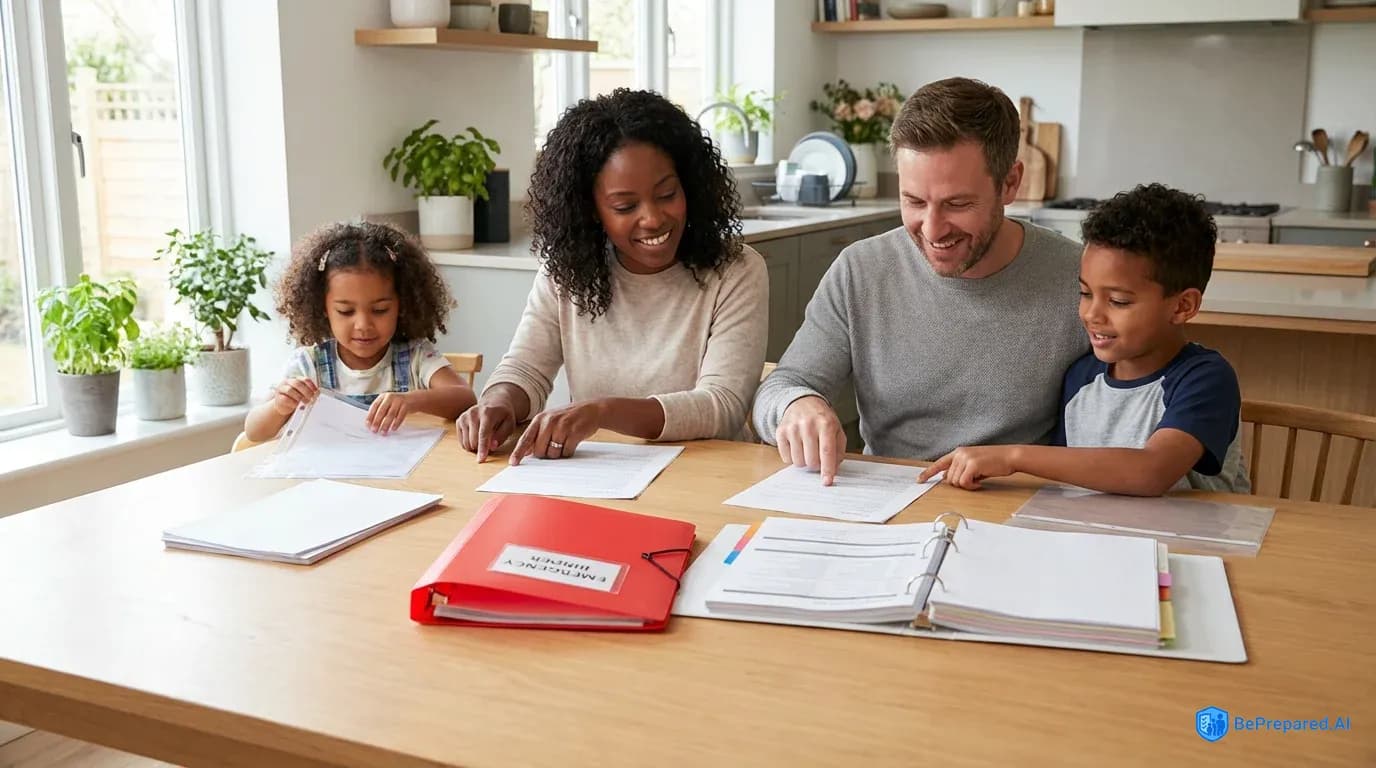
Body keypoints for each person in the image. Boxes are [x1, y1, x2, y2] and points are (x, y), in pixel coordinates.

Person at [751, 77, 1087, 485]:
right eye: (913, 201)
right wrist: (796, 405)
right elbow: (781, 386)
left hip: (1017, 503)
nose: (932, 229)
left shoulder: (1077, 278)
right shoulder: (861, 270)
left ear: (1010, 183)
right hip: (887, 504)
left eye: (957, 204)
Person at [457, 88, 768, 465]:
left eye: (667, 194)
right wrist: (499, 400)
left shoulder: (735, 270)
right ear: (591, 210)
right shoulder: (567, 270)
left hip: (707, 474)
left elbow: (721, 406)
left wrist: (603, 412)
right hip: (601, 475)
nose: (653, 218)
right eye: (625, 206)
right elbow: (525, 369)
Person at [920, 184, 1250, 495]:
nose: (1092, 313)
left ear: (1182, 306)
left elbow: (1152, 471)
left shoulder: (1205, 379)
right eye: (1085, 293)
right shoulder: (1081, 377)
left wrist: (1014, 456)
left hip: (1197, 547)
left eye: (1118, 301)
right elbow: (1069, 482)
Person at [243, 221, 476, 442]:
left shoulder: (415, 357)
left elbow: (465, 398)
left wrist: (411, 400)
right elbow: (253, 431)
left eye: (380, 310)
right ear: (323, 308)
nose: (363, 325)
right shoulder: (308, 364)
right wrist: (279, 407)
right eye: (345, 311)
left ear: (401, 305)